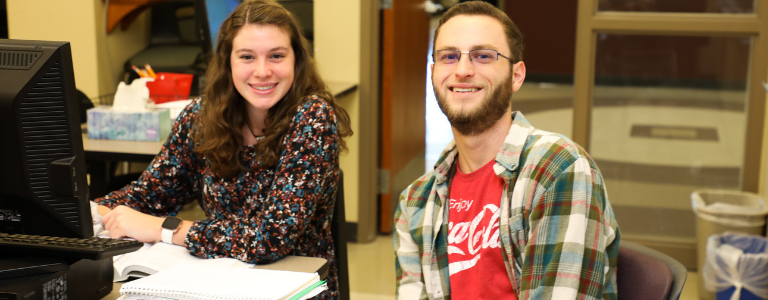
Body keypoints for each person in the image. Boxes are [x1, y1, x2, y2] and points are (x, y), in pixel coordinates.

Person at [95, 1, 351, 299]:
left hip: (292, 287)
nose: (262, 71)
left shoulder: (313, 117)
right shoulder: (200, 117)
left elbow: (271, 239)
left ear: (297, 60)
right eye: (246, 57)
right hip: (217, 280)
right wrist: (93, 212)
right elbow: (149, 194)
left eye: (277, 56)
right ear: (227, 61)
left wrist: (163, 229)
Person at [393, 2, 620, 299]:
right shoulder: (416, 204)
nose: (462, 70)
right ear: (434, 72)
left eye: (483, 56)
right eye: (449, 57)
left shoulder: (559, 170)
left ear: (516, 75)